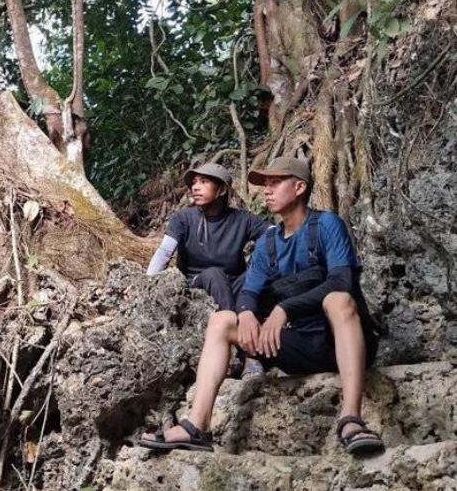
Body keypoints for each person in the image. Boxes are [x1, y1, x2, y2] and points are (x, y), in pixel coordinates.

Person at [140, 157, 384, 455]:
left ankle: (351, 419)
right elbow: (249, 291)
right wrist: (245, 315)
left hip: (343, 342)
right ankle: (196, 426)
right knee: (223, 321)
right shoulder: (269, 245)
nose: (266, 191)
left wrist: (284, 310)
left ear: (298, 187)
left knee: (338, 299)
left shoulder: (326, 225)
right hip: (299, 348)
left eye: (275, 183)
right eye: (264, 185)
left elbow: (342, 280)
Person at [147, 162, 270, 378]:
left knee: (257, 277)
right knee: (215, 274)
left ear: (221, 189)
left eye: (204, 182)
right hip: (196, 284)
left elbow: (275, 236)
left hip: (234, 284)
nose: (195, 187)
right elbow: (165, 252)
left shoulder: (242, 219)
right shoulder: (184, 218)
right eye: (194, 182)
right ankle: (247, 353)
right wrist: (146, 286)